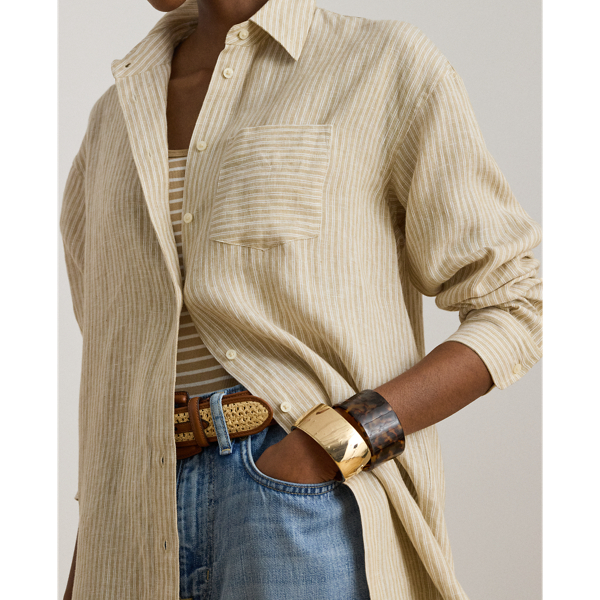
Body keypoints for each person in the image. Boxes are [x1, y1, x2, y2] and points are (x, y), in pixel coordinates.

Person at [61, 0, 543, 598]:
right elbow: (112, 373)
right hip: (129, 521)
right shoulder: (113, 118)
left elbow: (514, 304)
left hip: (293, 508)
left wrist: (335, 443)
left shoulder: (381, 65)